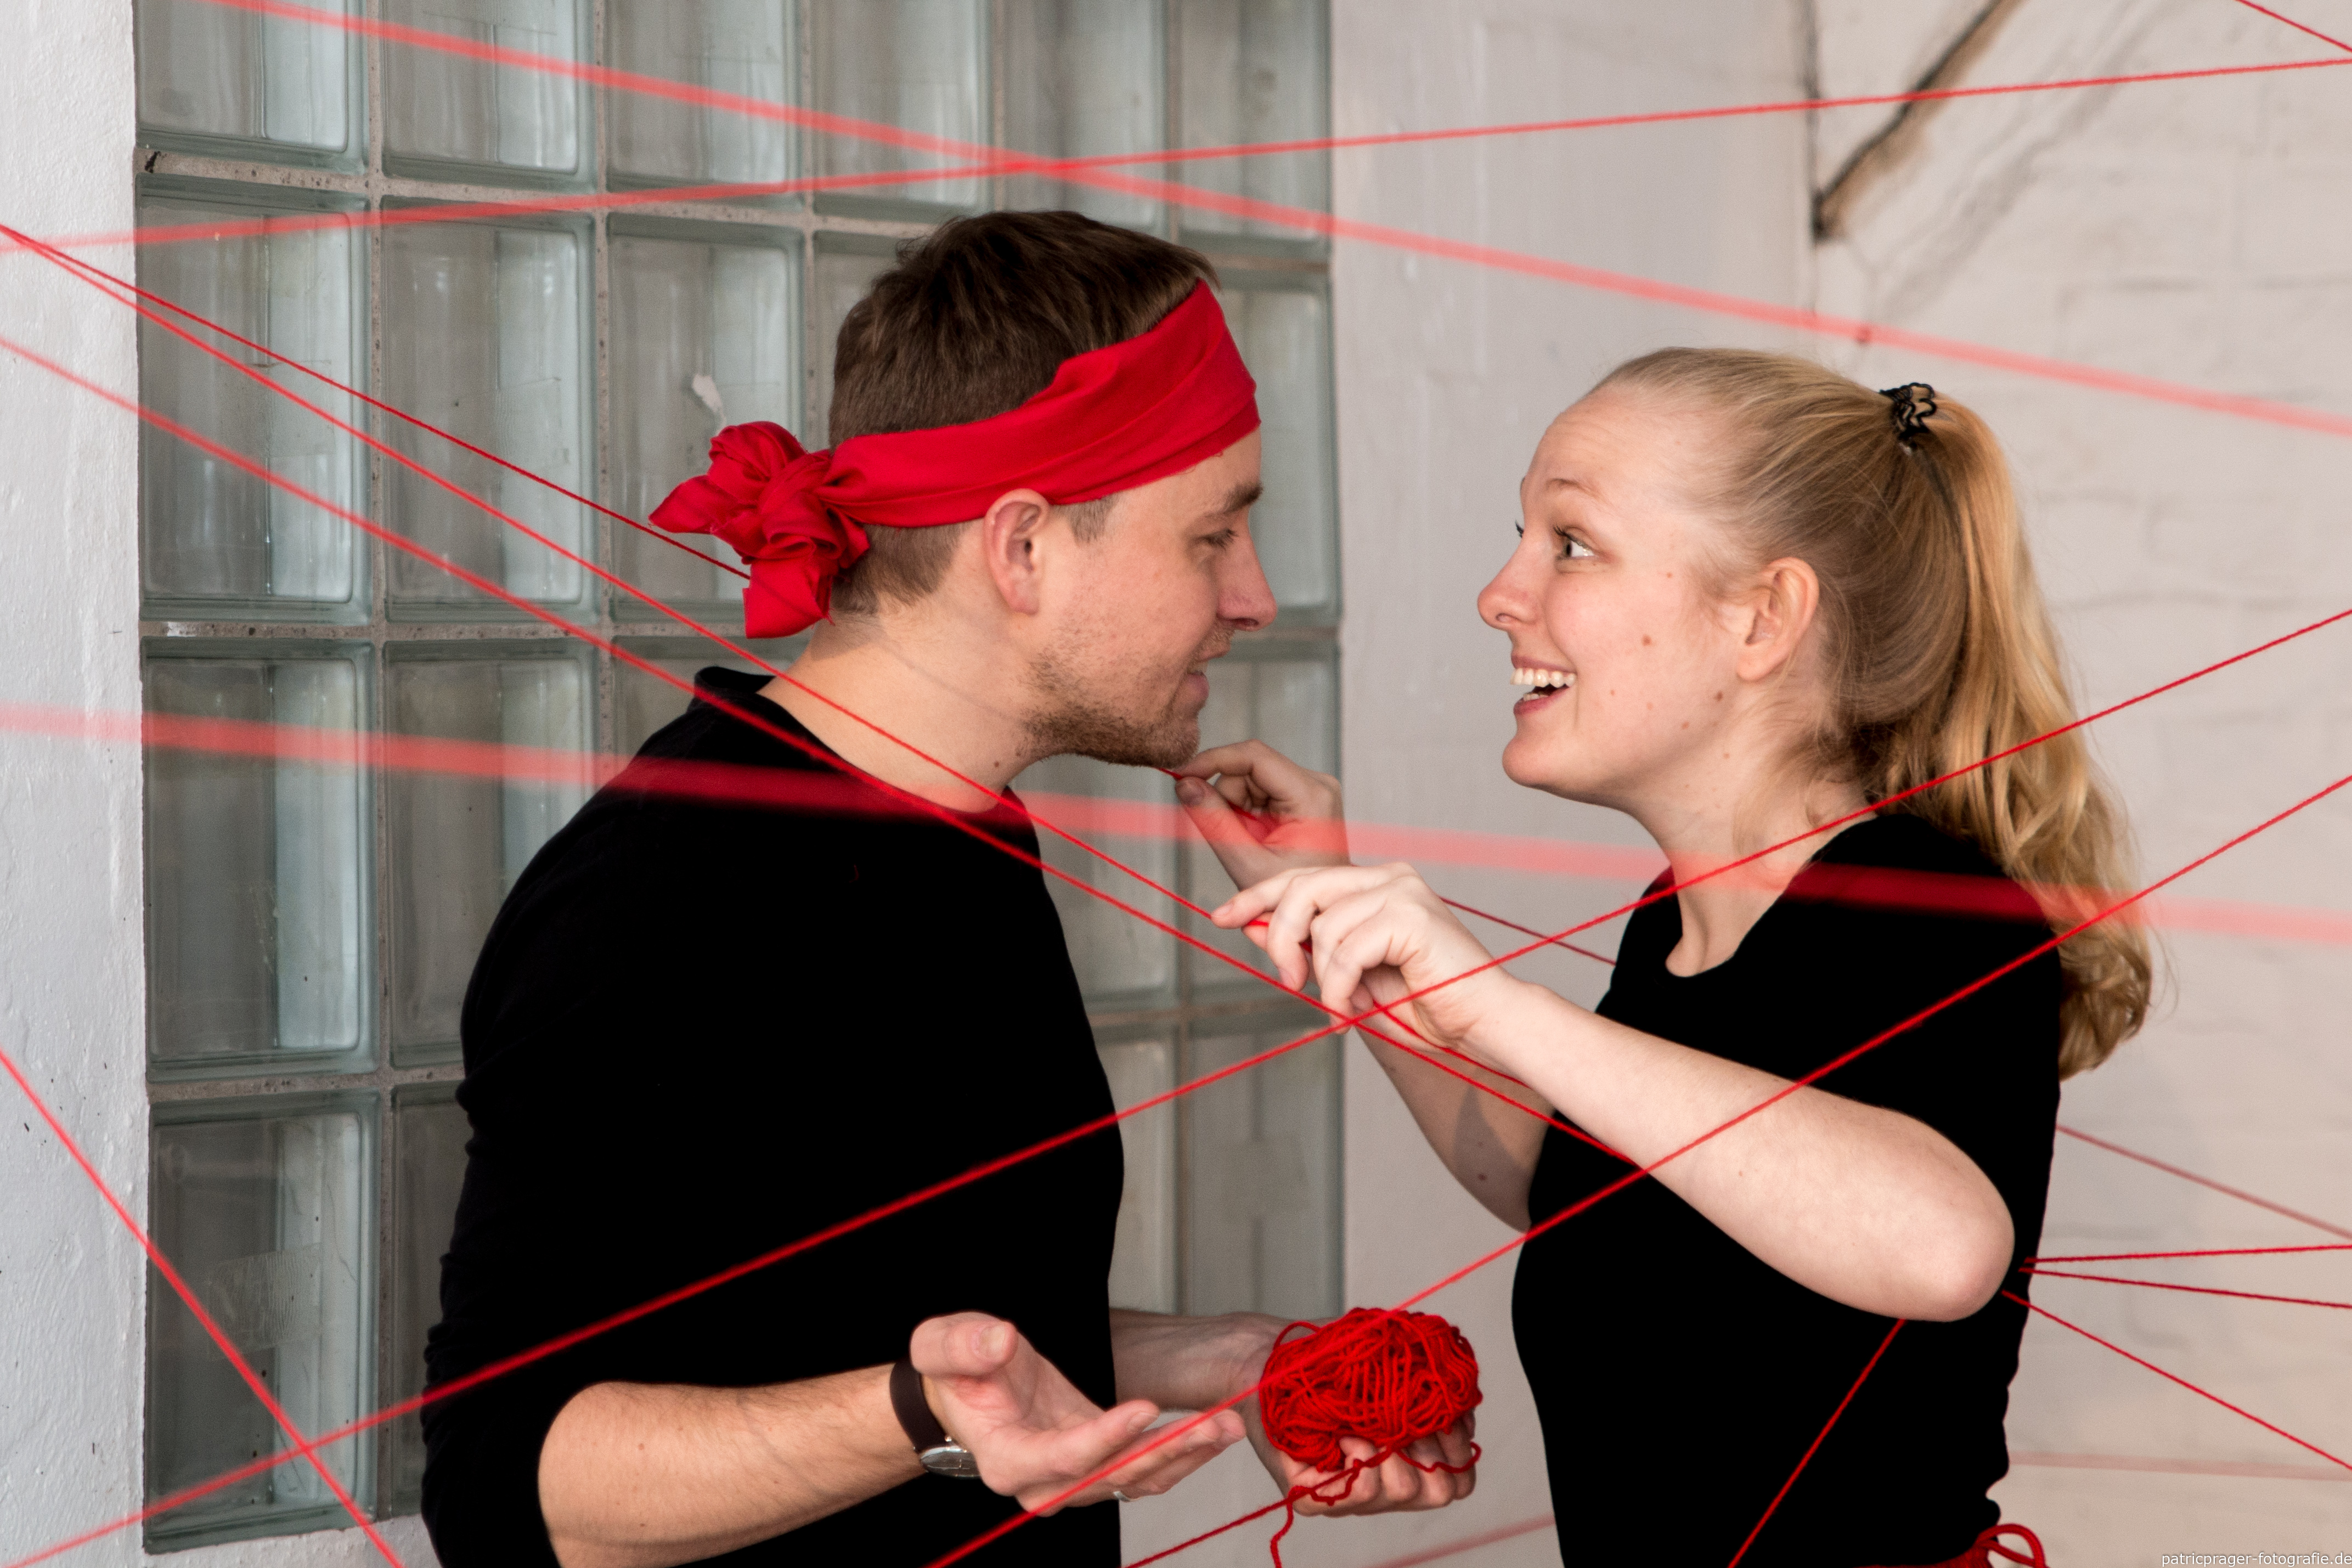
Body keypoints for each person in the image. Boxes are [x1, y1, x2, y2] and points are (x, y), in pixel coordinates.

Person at [419, 212, 1472, 1568]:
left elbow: (879, 1313)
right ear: (1021, 546)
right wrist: (915, 1418)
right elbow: (496, 1480)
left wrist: (1231, 1355)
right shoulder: (662, 888)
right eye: (1210, 536)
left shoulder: (968, 834)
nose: (1252, 596)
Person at [1176, 352, 2151, 1566]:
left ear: (1761, 619)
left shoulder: (1934, 904)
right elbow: (1573, 1182)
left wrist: (1491, 999)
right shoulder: (1675, 925)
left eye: (1571, 543)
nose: (1499, 594)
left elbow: (1943, 1248)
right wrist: (1345, 943)